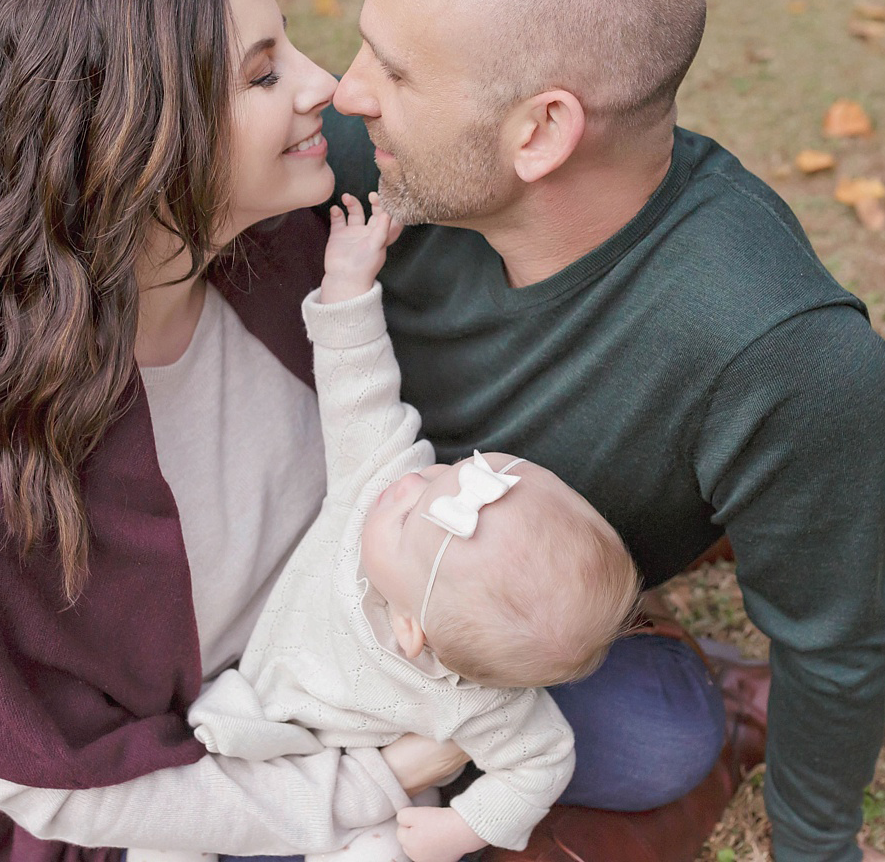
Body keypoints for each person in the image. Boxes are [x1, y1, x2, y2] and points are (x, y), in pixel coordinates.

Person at [0, 0, 469, 862]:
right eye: (262, 71)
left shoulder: (288, 256)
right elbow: (58, 790)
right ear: (133, 138)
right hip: (161, 808)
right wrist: (380, 779)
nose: (325, 84)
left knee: (644, 736)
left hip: (332, 694)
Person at [316, 0, 885, 859]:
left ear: (542, 130)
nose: (344, 90)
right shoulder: (347, 154)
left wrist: (815, 844)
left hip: (485, 624)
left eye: (394, 72)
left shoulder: (783, 350)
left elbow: (833, 640)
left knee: (654, 742)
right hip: (297, 577)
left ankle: (710, 696)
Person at [173, 195, 640, 862]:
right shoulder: (380, 486)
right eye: (448, 473)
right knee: (188, 808)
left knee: (380, 850)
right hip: (254, 714)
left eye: (405, 516)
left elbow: (542, 761)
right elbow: (357, 388)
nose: (410, 483)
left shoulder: (486, 706)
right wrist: (347, 285)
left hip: (373, 771)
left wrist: (466, 827)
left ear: (411, 628)